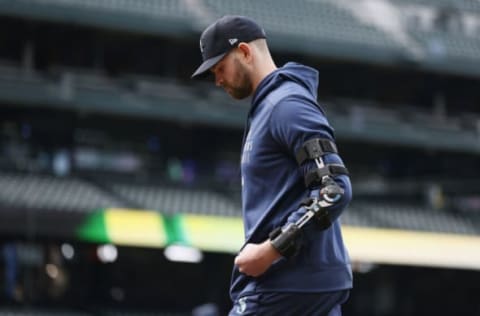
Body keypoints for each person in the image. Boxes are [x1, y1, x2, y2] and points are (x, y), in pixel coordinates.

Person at [192, 15, 353, 316]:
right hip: (303, 286)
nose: (218, 80)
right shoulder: (269, 106)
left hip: (286, 285)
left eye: (220, 68)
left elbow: (333, 189)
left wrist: (272, 250)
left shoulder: (286, 105)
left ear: (245, 52)